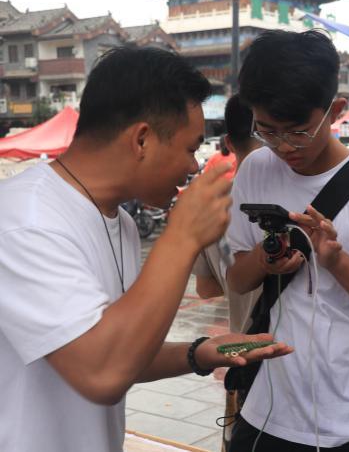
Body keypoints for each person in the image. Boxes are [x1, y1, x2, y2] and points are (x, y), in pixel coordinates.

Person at [0, 47, 292, 452]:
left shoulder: (119, 223)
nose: (194, 167)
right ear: (142, 139)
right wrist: (183, 236)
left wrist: (201, 353)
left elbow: (120, 348)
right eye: (191, 149)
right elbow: (102, 371)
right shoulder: (23, 220)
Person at [225, 29, 349, 451]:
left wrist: (338, 263)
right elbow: (238, 280)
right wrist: (266, 258)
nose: (283, 147)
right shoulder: (255, 170)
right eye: (267, 130)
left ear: (334, 111)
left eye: (298, 131)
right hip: (264, 413)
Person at [191, 95, 263, 451]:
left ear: (229, 143)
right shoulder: (297, 203)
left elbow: (205, 289)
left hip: (242, 356)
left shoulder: (213, 208)